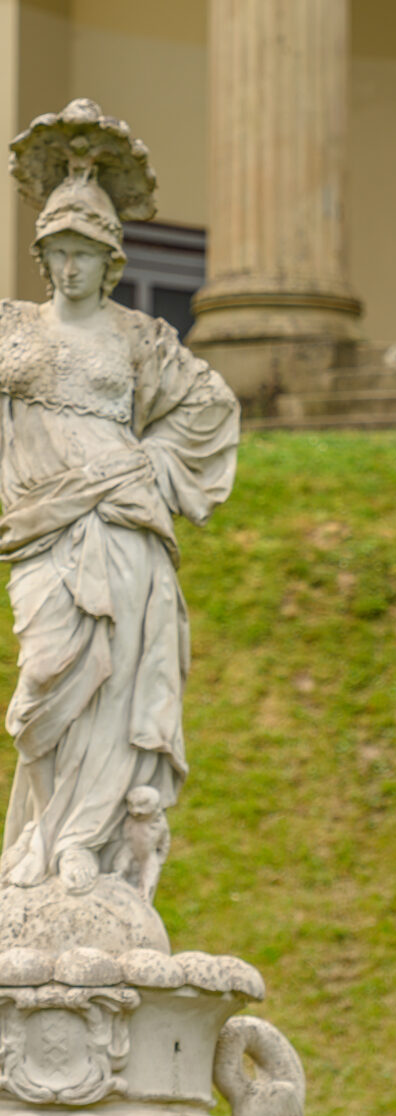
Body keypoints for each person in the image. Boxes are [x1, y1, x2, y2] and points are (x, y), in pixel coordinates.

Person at [0, 100, 239, 894]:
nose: (69, 268)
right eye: (58, 252)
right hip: (43, 531)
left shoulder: (139, 340)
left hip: (124, 530)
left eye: (84, 254)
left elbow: (208, 408)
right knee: (44, 681)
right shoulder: (13, 331)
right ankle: (40, 830)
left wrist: (148, 468)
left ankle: (84, 842)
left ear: (110, 263)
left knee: (115, 686)